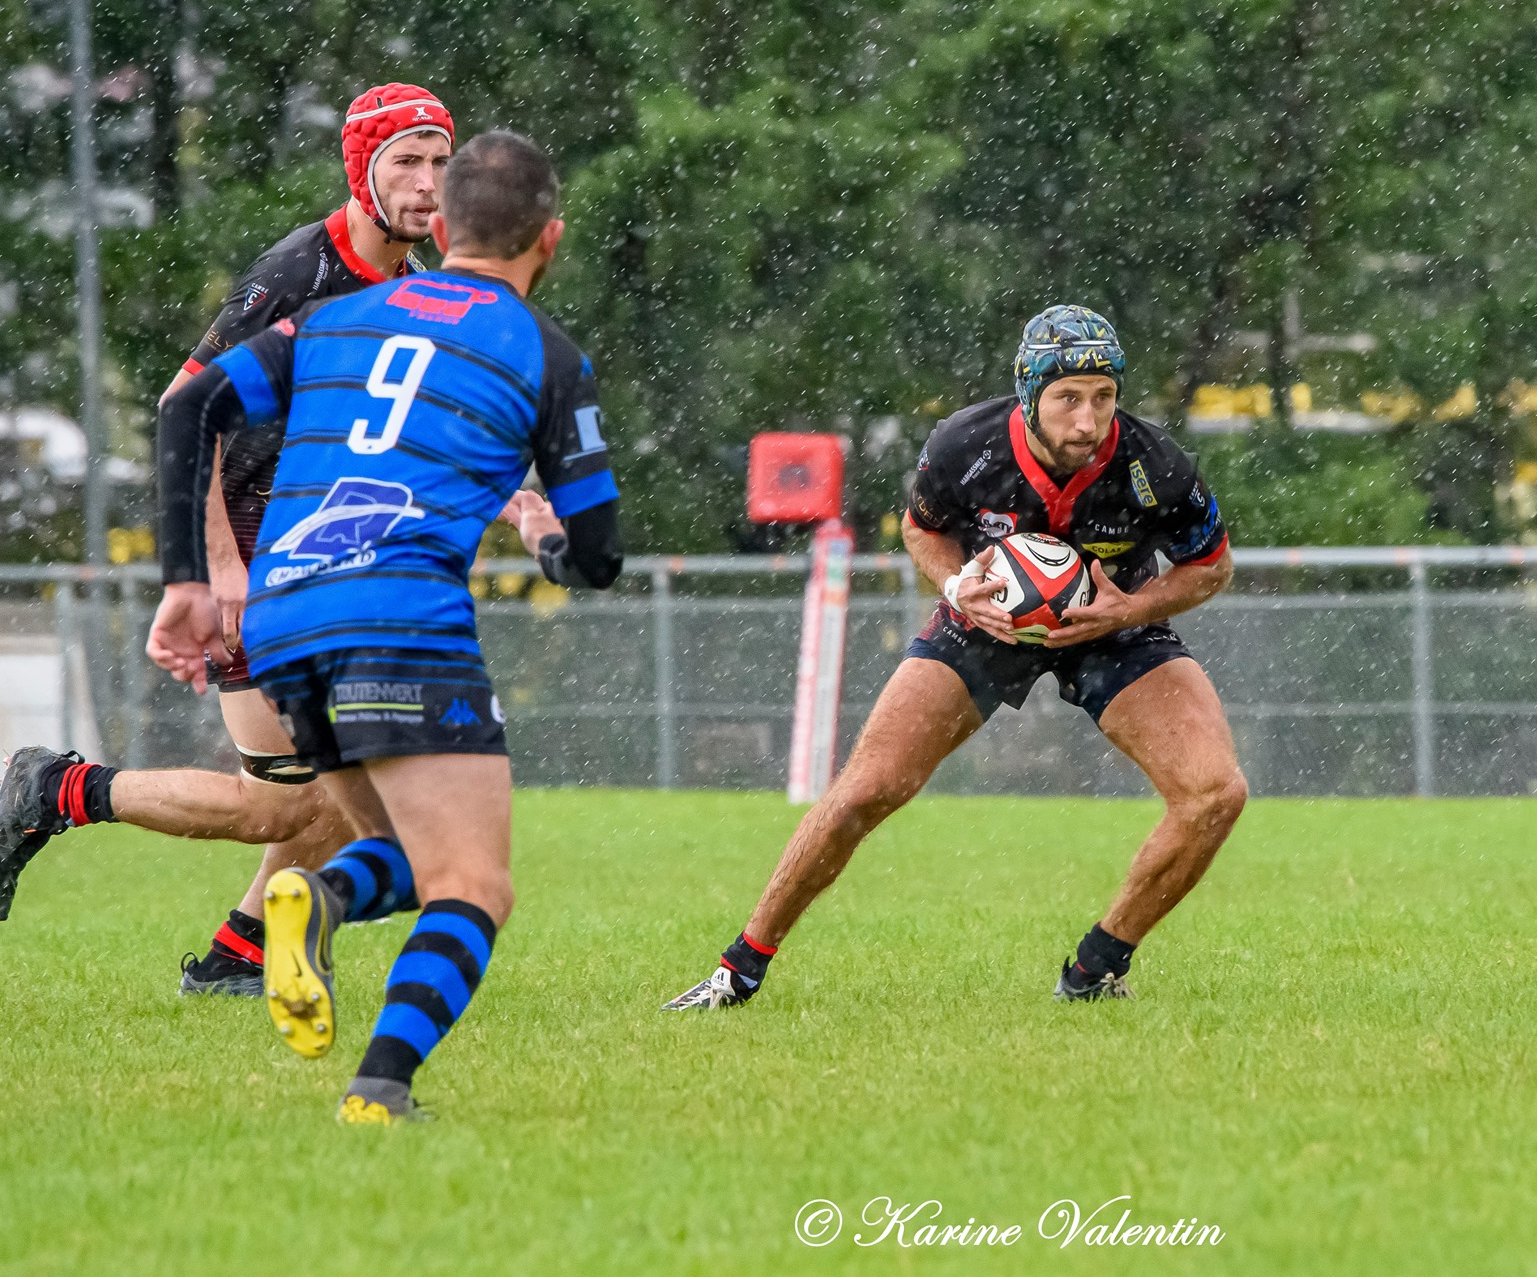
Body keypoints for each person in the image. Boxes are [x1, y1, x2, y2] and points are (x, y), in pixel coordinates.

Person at [145, 129, 622, 1123]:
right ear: (551, 239)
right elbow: (598, 558)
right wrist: (540, 537)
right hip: (400, 617)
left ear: (440, 226)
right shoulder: (545, 354)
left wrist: (188, 580)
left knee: (406, 856)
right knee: (475, 885)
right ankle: (380, 1086)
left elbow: (188, 409)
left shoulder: (332, 315)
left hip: (283, 621)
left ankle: (314, 899)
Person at [0, 85, 455, 1001]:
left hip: (316, 556)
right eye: (407, 161)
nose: (428, 182)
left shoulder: (410, 277)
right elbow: (181, 410)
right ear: (362, 167)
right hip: (251, 548)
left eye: (439, 162)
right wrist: (218, 572)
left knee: (344, 786)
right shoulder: (297, 274)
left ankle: (240, 955)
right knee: (286, 801)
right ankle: (60, 791)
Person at [666, 305, 1246, 1010]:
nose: (1087, 421)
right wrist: (953, 585)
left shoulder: (1157, 464)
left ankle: (1094, 969)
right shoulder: (963, 444)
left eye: (1103, 398)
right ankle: (739, 970)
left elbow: (1212, 568)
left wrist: (1130, 607)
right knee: (865, 790)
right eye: (1067, 398)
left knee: (1216, 793)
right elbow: (921, 528)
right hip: (986, 619)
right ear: (1029, 396)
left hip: (1112, 619)